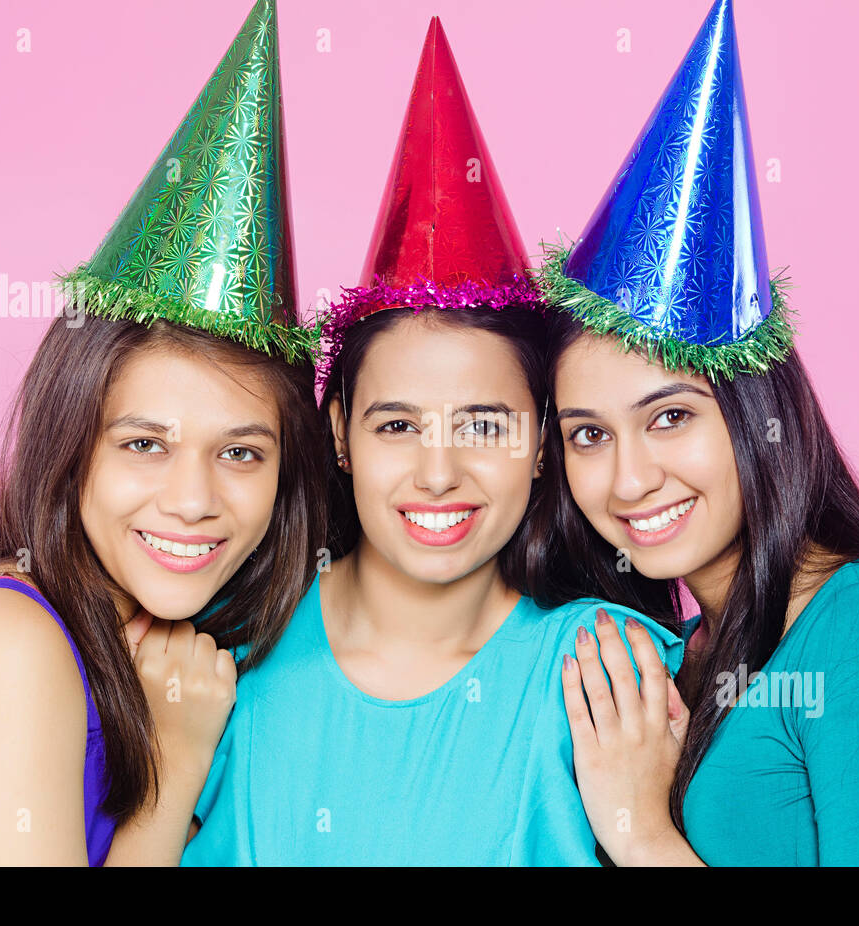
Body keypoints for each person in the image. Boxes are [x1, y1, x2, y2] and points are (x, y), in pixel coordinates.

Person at [0, 0, 325, 866]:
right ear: (71, 449)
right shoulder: (8, 644)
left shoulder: (131, 648)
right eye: (144, 444)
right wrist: (171, 765)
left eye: (241, 453)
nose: (195, 500)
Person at [181, 17, 683, 867]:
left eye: (484, 425)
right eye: (398, 425)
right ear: (340, 433)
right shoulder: (226, 643)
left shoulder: (602, 669)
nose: (438, 473)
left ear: (539, 444)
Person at [536, 0, 859, 866]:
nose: (628, 481)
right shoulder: (686, 654)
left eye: (671, 417)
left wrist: (640, 831)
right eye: (587, 436)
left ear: (763, 417)